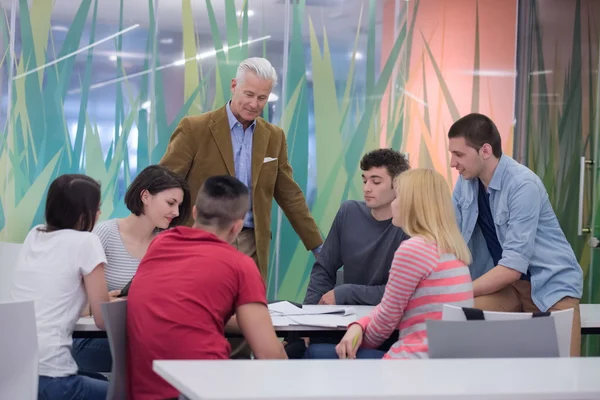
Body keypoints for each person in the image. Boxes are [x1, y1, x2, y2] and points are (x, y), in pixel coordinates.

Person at [159, 57, 323, 282]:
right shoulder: (194, 129)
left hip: (251, 242)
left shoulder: (274, 137)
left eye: (262, 97)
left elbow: (290, 195)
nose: (254, 104)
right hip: (202, 238)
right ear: (234, 86)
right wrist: (151, 232)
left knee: (246, 309)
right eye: (249, 94)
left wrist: (317, 245)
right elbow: (165, 183)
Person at [127, 175, 287, 400]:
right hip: (205, 391)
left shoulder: (159, 244)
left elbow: (190, 311)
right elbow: (269, 355)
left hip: (145, 392)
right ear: (237, 226)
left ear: (194, 212)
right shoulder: (241, 265)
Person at [448, 112, 584, 356]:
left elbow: (513, 266)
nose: (452, 163)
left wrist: (460, 288)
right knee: (454, 317)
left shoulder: (523, 185)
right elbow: (451, 240)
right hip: (509, 287)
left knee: (563, 378)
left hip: (550, 286)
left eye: (459, 154)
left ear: (485, 151)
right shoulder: (465, 183)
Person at [313, 168, 474, 359]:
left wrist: (355, 341)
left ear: (412, 204)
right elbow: (389, 309)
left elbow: (385, 323)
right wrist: (360, 324)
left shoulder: (414, 249)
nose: (393, 204)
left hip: (411, 364)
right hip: (440, 365)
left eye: (397, 197)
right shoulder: (452, 249)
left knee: (313, 353)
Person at [72, 165, 191, 374]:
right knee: (174, 354)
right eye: (170, 203)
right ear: (145, 196)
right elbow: (72, 304)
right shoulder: (104, 234)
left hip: (146, 337)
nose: (176, 212)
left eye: (179, 206)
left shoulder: (169, 241)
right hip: (94, 339)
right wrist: (104, 305)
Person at [11, 174, 111, 400]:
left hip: (16, 375)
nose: (100, 214)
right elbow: (103, 319)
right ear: (83, 214)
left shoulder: (34, 235)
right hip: (53, 378)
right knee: (131, 393)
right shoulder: (86, 241)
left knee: (100, 381)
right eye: (97, 207)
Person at [304, 149, 410, 306]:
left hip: (389, 321)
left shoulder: (410, 226)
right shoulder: (349, 212)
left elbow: (400, 292)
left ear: (398, 185)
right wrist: (308, 317)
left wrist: (346, 293)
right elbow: (323, 270)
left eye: (376, 182)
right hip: (348, 319)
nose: (367, 188)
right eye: (364, 180)